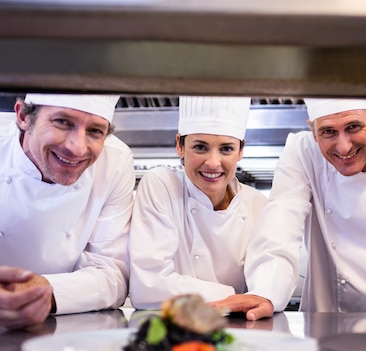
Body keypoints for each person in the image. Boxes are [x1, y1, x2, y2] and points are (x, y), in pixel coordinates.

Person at [211, 98, 366, 320]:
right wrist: (265, 293)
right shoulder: (305, 153)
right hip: (326, 326)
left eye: (353, 127)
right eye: (328, 132)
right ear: (313, 131)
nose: (344, 146)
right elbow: (281, 222)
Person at [0, 93, 135, 330]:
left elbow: (113, 274)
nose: (77, 147)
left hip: (57, 330)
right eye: (62, 122)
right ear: (22, 116)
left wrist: (45, 292)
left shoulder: (115, 161)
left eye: (95, 131)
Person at [129, 96, 267, 309]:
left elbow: (265, 285)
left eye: (226, 149)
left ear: (241, 151)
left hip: (237, 331)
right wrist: (236, 298)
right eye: (200, 147)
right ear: (180, 145)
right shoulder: (162, 186)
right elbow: (148, 289)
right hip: (171, 331)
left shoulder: (257, 205)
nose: (213, 162)